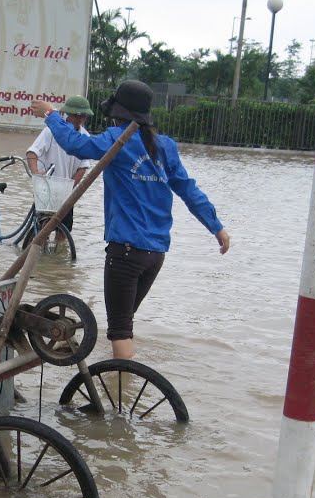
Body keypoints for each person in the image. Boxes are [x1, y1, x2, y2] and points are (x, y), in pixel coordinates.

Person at [31, 81, 231, 360]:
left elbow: (75, 144)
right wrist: (217, 227)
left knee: (120, 330)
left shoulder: (117, 139)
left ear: (117, 115)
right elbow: (189, 190)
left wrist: (51, 114)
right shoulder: (165, 147)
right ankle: (120, 379)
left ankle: (122, 395)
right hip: (155, 254)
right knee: (124, 323)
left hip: (125, 251)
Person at [26, 95, 94, 238]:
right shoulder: (51, 131)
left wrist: (69, 188)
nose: (80, 119)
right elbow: (32, 152)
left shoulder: (85, 137)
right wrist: (36, 175)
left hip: (66, 193)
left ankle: (58, 259)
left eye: (83, 116)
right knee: (41, 231)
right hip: (46, 190)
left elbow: (82, 168)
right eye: (77, 115)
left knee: (63, 232)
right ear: (68, 114)